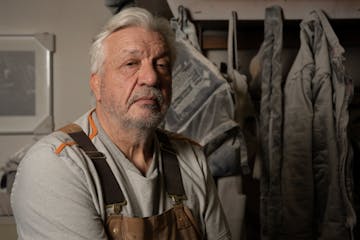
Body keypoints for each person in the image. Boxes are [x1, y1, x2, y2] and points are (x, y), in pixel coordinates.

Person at [11, 7, 231, 240]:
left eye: (162, 65)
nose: (151, 77)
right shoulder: (55, 165)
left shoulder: (192, 158)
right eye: (131, 63)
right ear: (97, 84)